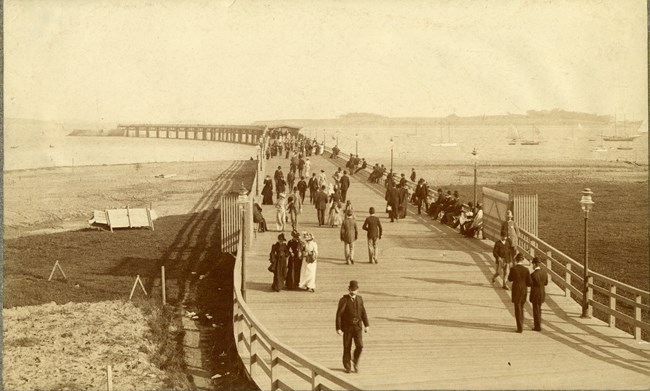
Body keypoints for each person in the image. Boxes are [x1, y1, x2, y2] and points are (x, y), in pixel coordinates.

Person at [335, 280, 369, 374]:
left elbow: (363, 312)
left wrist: (366, 325)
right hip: (347, 327)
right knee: (347, 347)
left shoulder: (360, 299)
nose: (353, 291)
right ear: (348, 289)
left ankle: (355, 360)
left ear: (357, 290)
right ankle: (347, 366)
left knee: (360, 346)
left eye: (354, 290)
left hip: (358, 327)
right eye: (351, 289)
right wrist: (338, 328)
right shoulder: (344, 300)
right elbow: (339, 315)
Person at [508, 253, 532, 333]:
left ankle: (519, 327)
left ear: (516, 260)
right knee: (521, 307)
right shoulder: (526, 270)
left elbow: (510, 279)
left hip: (516, 290)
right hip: (524, 290)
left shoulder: (513, 269)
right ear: (523, 260)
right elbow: (529, 283)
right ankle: (522, 324)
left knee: (517, 308)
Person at [529, 257, 548, 331]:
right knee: (539, 310)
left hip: (535, 294)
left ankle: (537, 326)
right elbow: (546, 283)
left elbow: (530, 284)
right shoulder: (544, 272)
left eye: (532, 264)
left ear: (534, 264)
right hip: (542, 293)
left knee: (536, 310)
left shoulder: (533, 274)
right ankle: (539, 324)